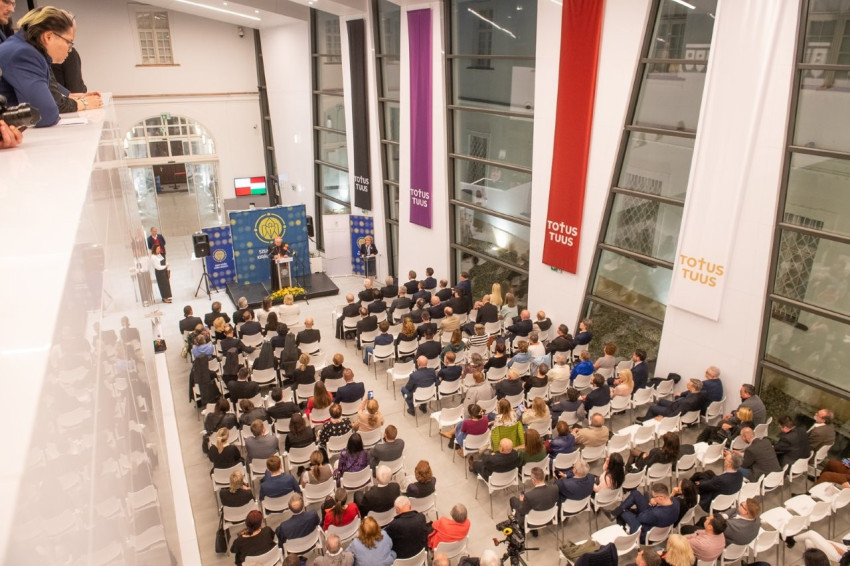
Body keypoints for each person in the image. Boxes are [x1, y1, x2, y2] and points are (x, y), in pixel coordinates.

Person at [0, 7, 89, 128]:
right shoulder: (25, 54)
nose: (70, 49)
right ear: (48, 37)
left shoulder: (23, 47)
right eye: (69, 42)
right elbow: (45, 115)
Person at [608, 482, 678, 543]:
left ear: (660, 498)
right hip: (654, 519)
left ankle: (619, 523)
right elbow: (668, 499)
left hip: (643, 530)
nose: (652, 498)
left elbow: (640, 517)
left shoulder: (656, 513)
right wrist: (657, 503)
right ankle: (614, 514)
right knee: (635, 494)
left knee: (622, 511)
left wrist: (649, 504)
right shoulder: (676, 502)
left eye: (654, 496)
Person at [509, 466, 558, 531]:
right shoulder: (555, 488)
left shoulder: (529, 495)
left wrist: (521, 501)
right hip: (549, 518)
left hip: (533, 521)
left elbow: (522, 511)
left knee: (513, 500)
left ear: (533, 480)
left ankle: (522, 526)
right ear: (544, 476)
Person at [637, 378, 705, 421]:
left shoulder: (688, 402)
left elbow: (677, 413)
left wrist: (664, 418)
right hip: (677, 405)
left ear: (693, 388)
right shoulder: (700, 393)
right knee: (660, 401)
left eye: (689, 384)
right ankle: (654, 416)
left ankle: (646, 420)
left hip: (672, 411)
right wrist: (681, 394)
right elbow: (688, 392)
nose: (687, 384)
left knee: (652, 407)